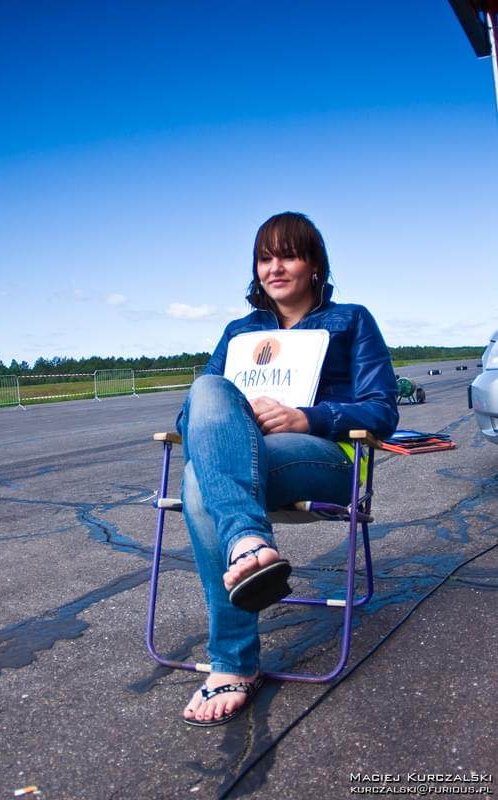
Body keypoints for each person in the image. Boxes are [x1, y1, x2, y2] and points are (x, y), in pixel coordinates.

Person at [178, 211, 399, 726]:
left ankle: (232, 661)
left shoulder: (352, 320)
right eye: (264, 257)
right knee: (206, 394)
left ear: (315, 264)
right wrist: (236, 417)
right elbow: (193, 415)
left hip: (322, 459)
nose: (275, 267)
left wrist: (308, 416)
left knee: (202, 482)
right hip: (248, 459)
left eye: (289, 254)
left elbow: (383, 410)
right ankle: (248, 542)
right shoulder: (239, 332)